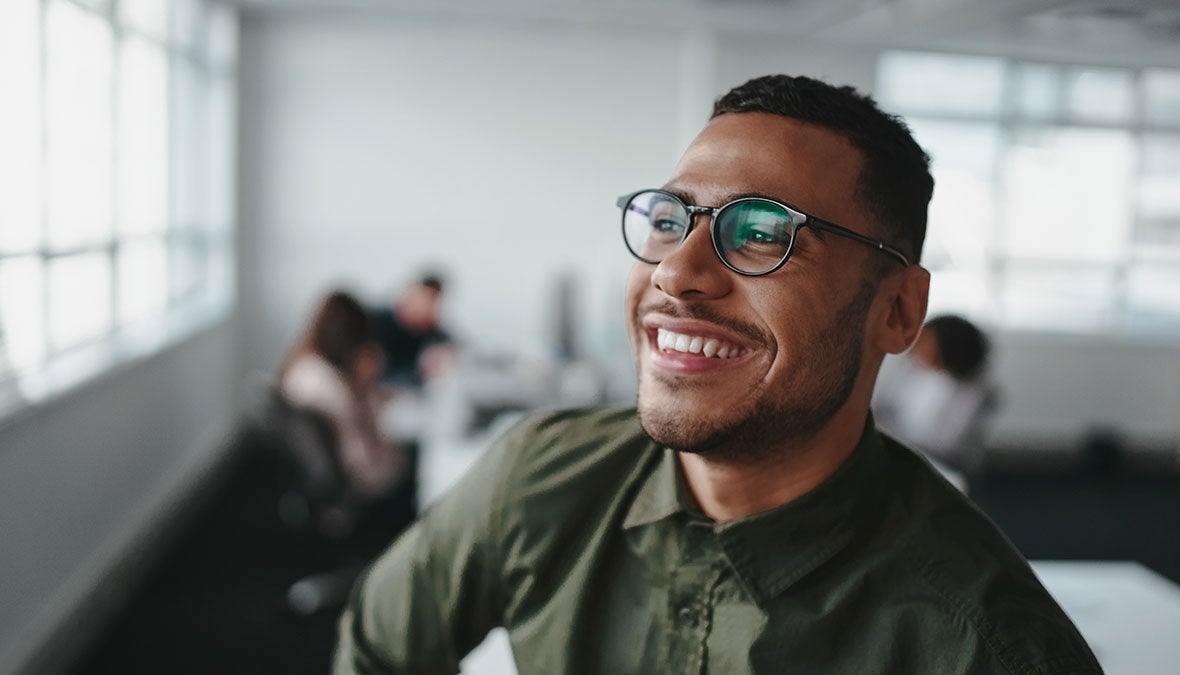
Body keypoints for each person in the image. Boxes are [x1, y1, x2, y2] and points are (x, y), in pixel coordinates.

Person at [334, 76, 1101, 674]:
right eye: (670, 219)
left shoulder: (984, 646)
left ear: (898, 310)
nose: (676, 270)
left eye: (763, 232)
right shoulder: (540, 477)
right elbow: (377, 651)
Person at [279, 291, 407, 517]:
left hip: (317, 479)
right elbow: (364, 465)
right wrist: (365, 389)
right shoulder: (332, 388)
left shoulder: (305, 365)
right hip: (354, 489)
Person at [873, 314, 995, 474]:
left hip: (935, 466)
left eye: (925, 341)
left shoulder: (970, 393)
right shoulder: (908, 368)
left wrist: (888, 432)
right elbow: (883, 404)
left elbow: (944, 444)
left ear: (948, 345)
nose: (916, 344)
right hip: (895, 451)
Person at [374, 274, 455, 388]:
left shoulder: (435, 338)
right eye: (423, 298)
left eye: (432, 302)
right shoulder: (377, 321)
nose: (424, 307)